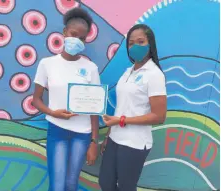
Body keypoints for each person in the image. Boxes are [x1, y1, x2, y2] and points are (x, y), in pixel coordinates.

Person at [32, 8, 100, 191]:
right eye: (74, 35)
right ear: (64, 33)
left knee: (71, 184)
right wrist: (53, 113)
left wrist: (94, 141)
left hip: (82, 134)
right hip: (57, 131)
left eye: (82, 38)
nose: (77, 41)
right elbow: (36, 100)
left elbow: (95, 108)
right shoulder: (47, 64)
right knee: (57, 186)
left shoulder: (91, 68)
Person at [98, 24, 167, 191]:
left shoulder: (154, 74)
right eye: (130, 43)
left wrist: (121, 120)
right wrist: (109, 134)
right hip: (115, 138)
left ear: (150, 44)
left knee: (126, 187)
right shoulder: (128, 71)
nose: (135, 46)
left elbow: (159, 116)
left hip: (134, 143)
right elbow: (123, 107)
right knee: (105, 183)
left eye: (140, 42)